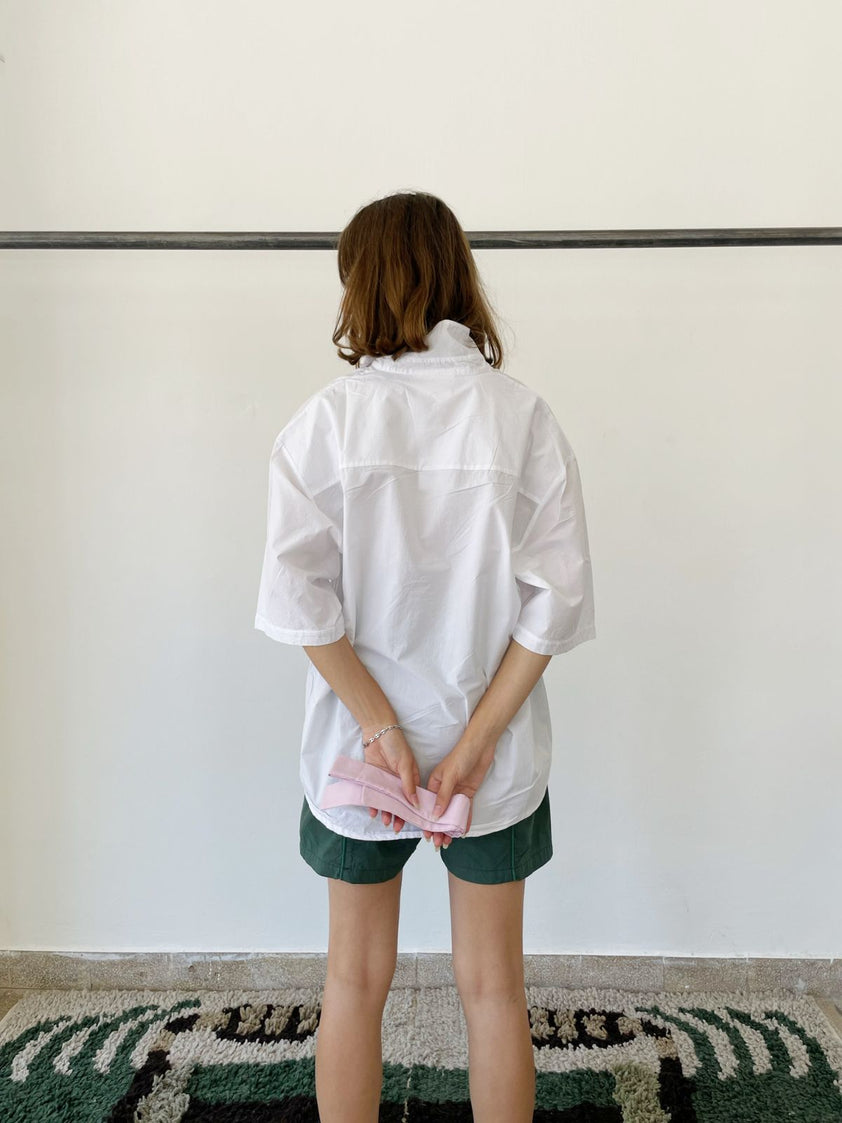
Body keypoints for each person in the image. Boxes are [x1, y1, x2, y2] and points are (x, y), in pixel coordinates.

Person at [254, 190, 596, 1123]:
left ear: (361, 285)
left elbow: (297, 600)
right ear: (457, 276)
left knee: (352, 981)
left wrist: (380, 725)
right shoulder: (523, 418)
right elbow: (555, 606)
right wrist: (475, 743)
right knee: (494, 989)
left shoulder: (325, 423)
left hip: (359, 755)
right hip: (497, 756)